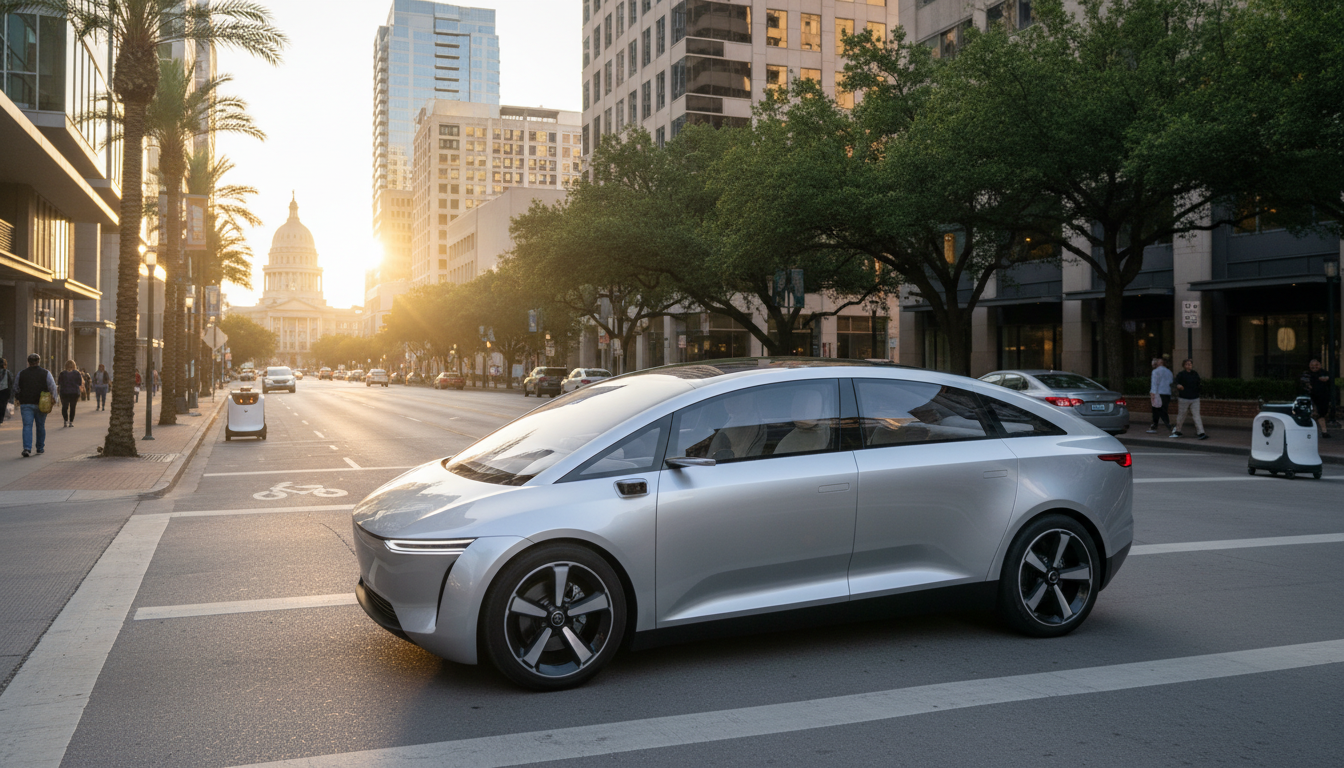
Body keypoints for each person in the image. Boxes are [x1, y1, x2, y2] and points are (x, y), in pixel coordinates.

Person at [15, 353, 58, 457]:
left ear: (28, 362)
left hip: (26, 403)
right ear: (39, 361)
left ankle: (27, 448)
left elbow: (16, 387)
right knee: (40, 426)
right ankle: (40, 447)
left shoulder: (21, 373)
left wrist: (18, 398)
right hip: (41, 403)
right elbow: (52, 387)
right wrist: (54, 399)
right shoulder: (46, 373)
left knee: (27, 425)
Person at [1171, 359, 1209, 440]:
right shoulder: (1181, 374)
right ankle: (1178, 430)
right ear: (1184, 365)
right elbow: (1176, 382)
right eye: (1187, 364)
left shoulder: (1195, 374)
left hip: (1195, 398)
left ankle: (1201, 432)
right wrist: (1178, 386)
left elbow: (1198, 383)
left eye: (1190, 364)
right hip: (1184, 398)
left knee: (1196, 416)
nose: (1189, 365)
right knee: (1181, 415)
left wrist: (1198, 391)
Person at [1300, 358, 1334, 438]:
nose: (1314, 367)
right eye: (1312, 365)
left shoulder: (1324, 373)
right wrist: (1309, 386)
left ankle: (1324, 432)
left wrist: (1327, 379)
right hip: (1311, 397)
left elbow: (1330, 381)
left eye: (1316, 365)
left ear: (1320, 365)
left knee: (1322, 414)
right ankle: (1308, 432)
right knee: (1312, 414)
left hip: (1323, 397)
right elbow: (1303, 383)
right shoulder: (1307, 374)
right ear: (1309, 366)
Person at [1146, 356, 1173, 434]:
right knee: (1163, 409)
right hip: (1167, 393)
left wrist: (1153, 393)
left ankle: (1166, 424)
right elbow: (1171, 382)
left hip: (1158, 393)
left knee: (1157, 409)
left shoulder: (1155, 372)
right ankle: (1155, 425)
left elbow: (1154, 383)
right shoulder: (1169, 372)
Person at [58, 359, 84, 427]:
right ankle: (71, 422)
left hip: (64, 392)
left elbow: (59, 383)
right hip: (74, 392)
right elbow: (79, 383)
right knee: (73, 407)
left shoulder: (62, 373)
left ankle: (65, 420)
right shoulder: (77, 373)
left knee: (64, 407)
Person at [0, 358, 12, 426]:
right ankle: (1, 419)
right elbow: (10, 383)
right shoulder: (7, 372)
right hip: (5, 391)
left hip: (5, 390)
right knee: (3, 405)